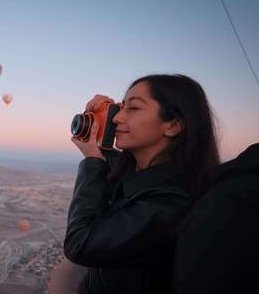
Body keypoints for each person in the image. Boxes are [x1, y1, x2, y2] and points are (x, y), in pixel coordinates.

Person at [63, 74, 220, 293]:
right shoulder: (137, 172)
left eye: (133, 108)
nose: (117, 118)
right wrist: (98, 127)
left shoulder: (170, 201)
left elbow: (80, 244)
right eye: (120, 107)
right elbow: (113, 166)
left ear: (173, 125)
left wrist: (92, 161)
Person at [172, 142, 259, 294]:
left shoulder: (232, 195)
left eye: (133, 115)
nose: (117, 118)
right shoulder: (231, 195)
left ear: (174, 126)